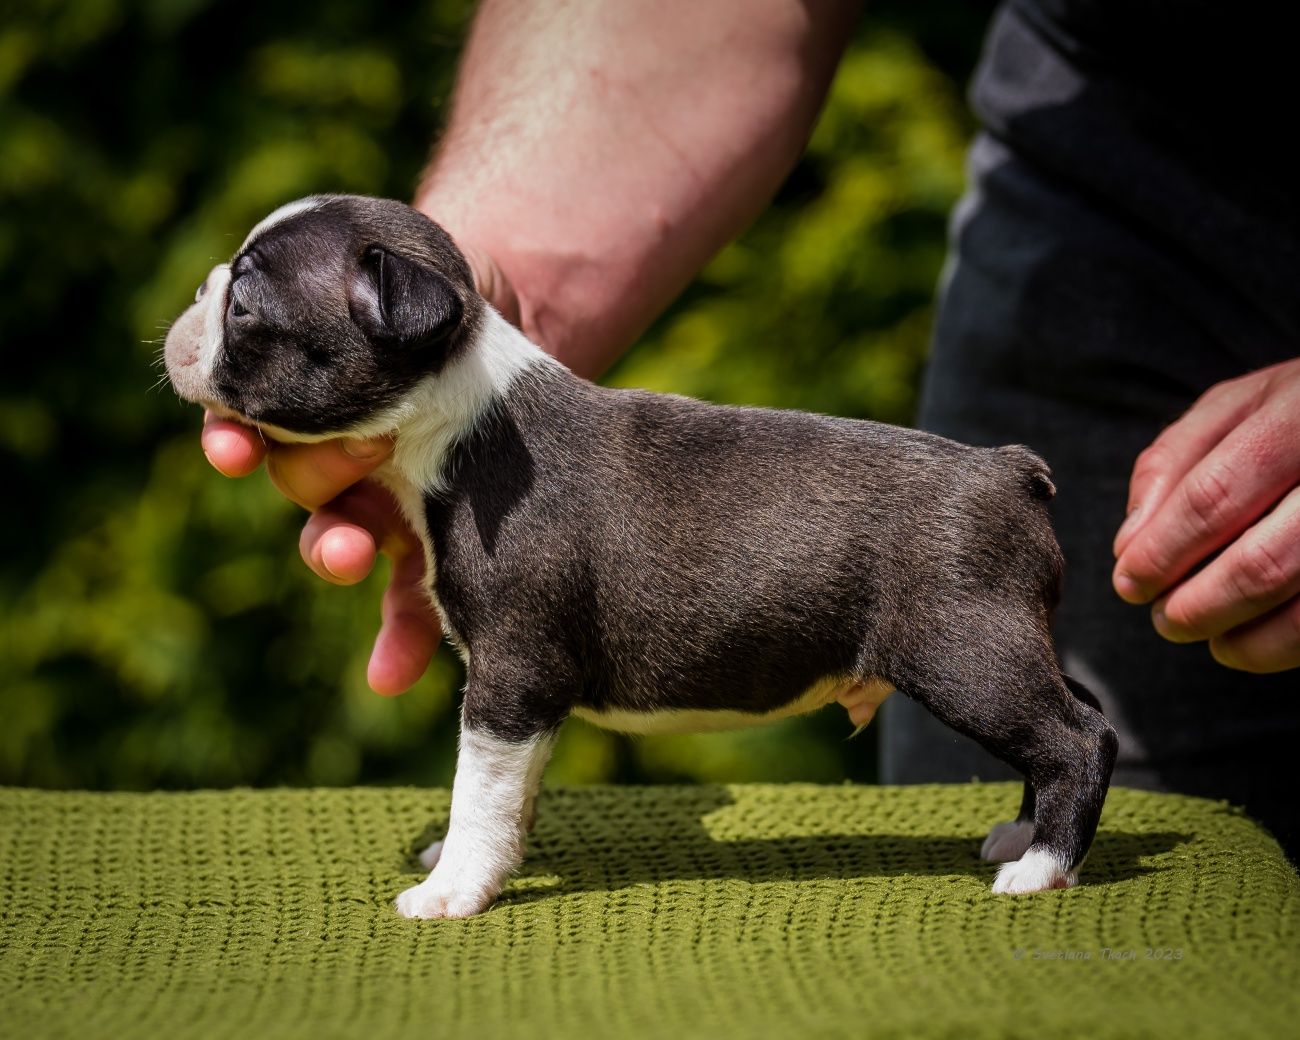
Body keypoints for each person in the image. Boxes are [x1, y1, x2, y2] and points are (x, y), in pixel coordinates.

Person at [199, 0, 1299, 854]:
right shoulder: (472, 427)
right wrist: (502, 251)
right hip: (1115, 194)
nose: (213, 316)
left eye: (245, 303)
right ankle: (1057, 786)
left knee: (997, 685)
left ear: (400, 324)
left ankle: (1061, 796)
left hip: (950, 499)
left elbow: (511, 695)